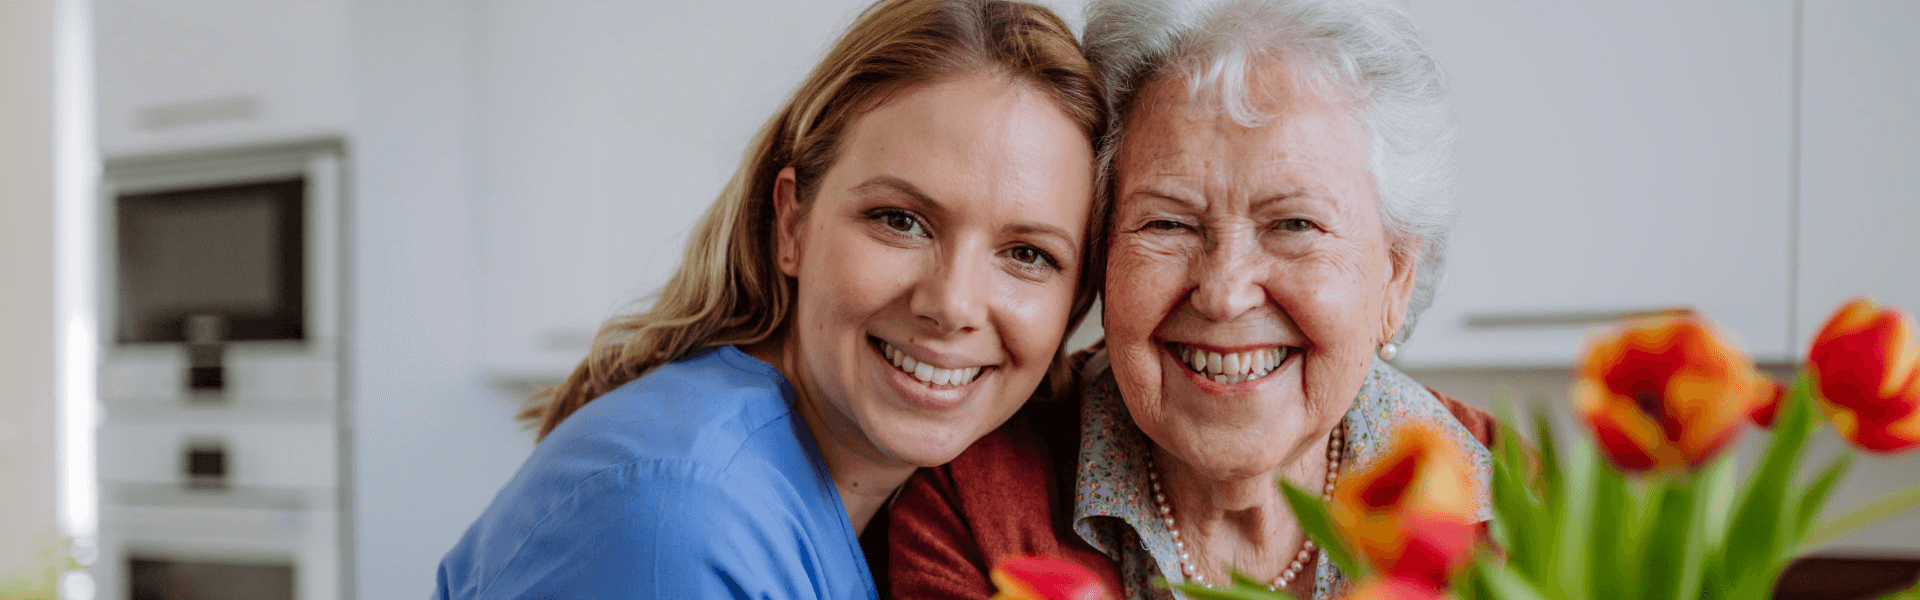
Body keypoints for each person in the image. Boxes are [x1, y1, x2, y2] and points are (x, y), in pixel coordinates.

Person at [433, 0, 1107, 597]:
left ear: (1075, 302)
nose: (953, 304)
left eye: (1028, 255)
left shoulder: (883, 506)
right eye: (899, 220)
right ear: (793, 224)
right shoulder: (681, 521)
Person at [888, 0, 1497, 598]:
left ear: (1396, 277)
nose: (1225, 294)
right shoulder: (974, 504)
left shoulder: (1514, 509)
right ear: (1102, 254)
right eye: (1168, 225)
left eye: (1293, 225)